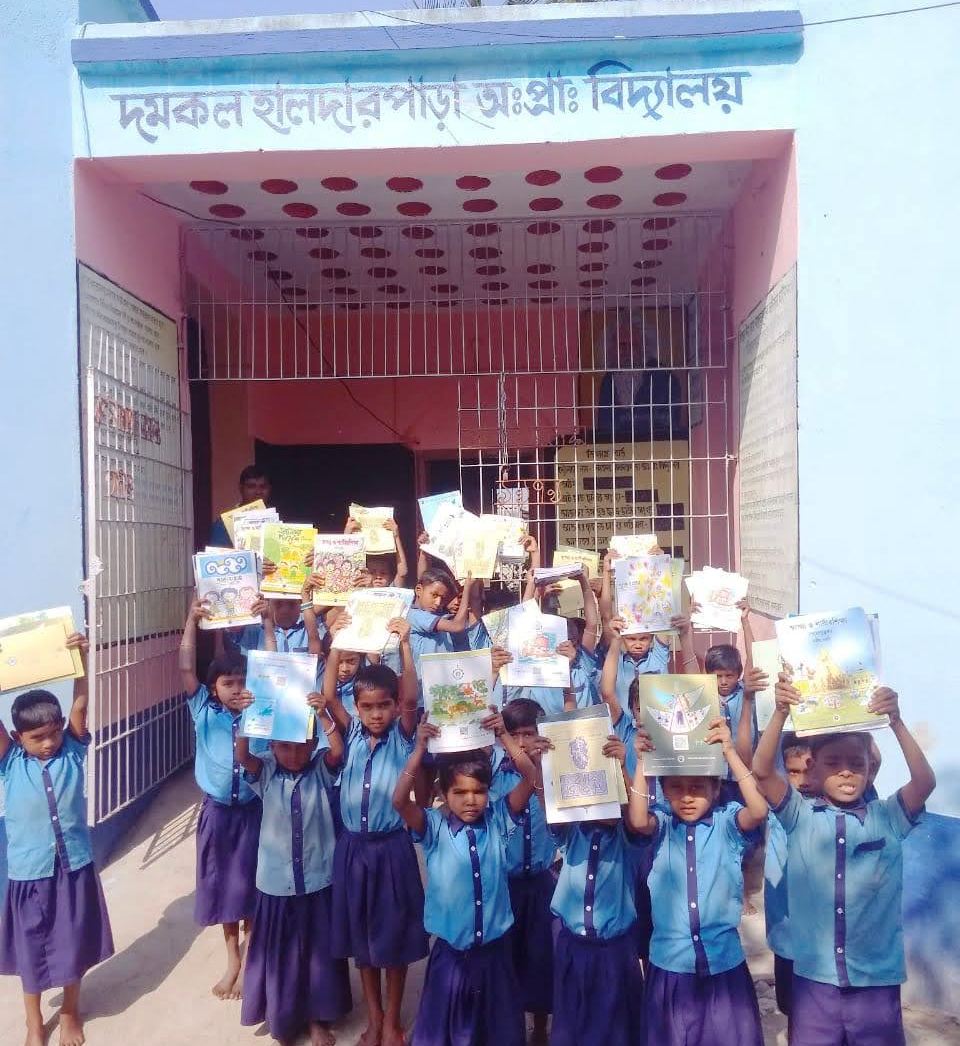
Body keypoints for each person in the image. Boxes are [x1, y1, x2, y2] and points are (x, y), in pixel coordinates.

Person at [752, 680, 936, 1046]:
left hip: (875, 981)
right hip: (815, 981)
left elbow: (924, 782)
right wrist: (781, 712)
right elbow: (761, 770)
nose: (846, 772)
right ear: (814, 769)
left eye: (856, 763)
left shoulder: (888, 818)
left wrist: (896, 722)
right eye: (833, 763)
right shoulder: (799, 817)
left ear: (870, 769)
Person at [393, 719, 549, 1046]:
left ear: (489, 792)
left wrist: (503, 735)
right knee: (448, 1033)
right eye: (460, 792)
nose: (470, 800)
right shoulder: (433, 828)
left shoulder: (498, 819)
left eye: (479, 791)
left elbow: (532, 778)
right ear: (443, 793)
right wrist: (419, 749)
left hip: (495, 956)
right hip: (451, 959)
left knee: (497, 1033)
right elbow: (399, 802)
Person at [0, 632, 114, 1046]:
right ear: (18, 738)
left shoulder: (72, 749)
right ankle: (33, 1023)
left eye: (53, 732)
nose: (48, 743)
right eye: (37, 738)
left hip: (74, 867)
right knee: (31, 951)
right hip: (29, 874)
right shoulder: (9, 762)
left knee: (73, 944)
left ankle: (69, 1012)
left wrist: (80, 660)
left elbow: (81, 704)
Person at [628, 720, 768, 1046]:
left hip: (723, 964)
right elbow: (637, 819)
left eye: (697, 787)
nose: (687, 797)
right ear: (663, 791)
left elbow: (759, 810)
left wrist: (729, 751)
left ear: (716, 789)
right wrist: (643, 764)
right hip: (671, 965)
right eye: (676, 788)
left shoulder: (727, 824)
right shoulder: (662, 825)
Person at [323, 628, 430, 1046]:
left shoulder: (403, 737)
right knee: (362, 940)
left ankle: (392, 1021)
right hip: (353, 850)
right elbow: (329, 696)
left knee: (394, 938)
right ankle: (374, 1016)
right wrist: (337, 643)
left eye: (384, 705)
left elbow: (411, 697)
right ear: (356, 707)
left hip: (391, 851)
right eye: (367, 707)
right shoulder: (350, 734)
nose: (376, 714)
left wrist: (405, 645)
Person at [236, 695, 352, 1046]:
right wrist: (248, 717)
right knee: (282, 956)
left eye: (302, 746)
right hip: (277, 884)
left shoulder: (320, 770)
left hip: (317, 879)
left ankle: (317, 1019)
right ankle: (284, 1022)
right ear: (272, 747)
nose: (294, 754)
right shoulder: (266, 772)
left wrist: (322, 714)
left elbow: (338, 751)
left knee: (317, 953)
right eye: (285, 747)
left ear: (313, 744)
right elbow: (242, 756)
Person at [179, 598, 263, 1000]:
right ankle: (233, 959)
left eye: (243, 681)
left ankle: (250, 961)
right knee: (224, 888)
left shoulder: (259, 710)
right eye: (228, 683)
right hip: (217, 814)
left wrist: (266, 621)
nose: (237, 689)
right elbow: (185, 666)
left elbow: (272, 662)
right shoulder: (203, 709)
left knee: (252, 887)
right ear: (213, 687)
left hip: (254, 811)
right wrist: (191, 621)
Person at [549, 735, 647, 1046]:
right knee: (573, 1026)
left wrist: (622, 766)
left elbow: (637, 816)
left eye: (610, 793)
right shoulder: (572, 832)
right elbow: (549, 802)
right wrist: (548, 760)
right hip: (573, 947)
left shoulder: (627, 840)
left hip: (614, 953)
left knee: (617, 1030)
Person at [488, 699, 556, 1046]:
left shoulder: (552, 770)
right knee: (507, 961)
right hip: (505, 884)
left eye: (529, 734)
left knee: (542, 958)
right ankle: (511, 1029)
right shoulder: (493, 773)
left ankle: (540, 1027)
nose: (522, 742)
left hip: (542, 881)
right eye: (513, 734)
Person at [209, 464, 272, 547]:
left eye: (263, 487)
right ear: (241, 488)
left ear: (269, 489)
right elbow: (217, 554)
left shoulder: (277, 521)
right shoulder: (224, 523)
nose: (258, 492)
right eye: (251, 487)